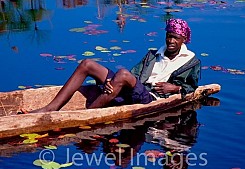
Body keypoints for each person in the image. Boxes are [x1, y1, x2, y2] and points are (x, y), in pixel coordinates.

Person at [27, 18, 200, 113]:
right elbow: (135, 75)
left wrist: (175, 89)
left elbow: (192, 86)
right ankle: (52, 107)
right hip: (137, 88)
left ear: (183, 40)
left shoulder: (191, 61)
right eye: (168, 36)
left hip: (151, 97)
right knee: (88, 64)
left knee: (123, 74)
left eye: (175, 38)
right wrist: (112, 82)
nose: (170, 41)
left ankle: (88, 114)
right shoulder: (154, 54)